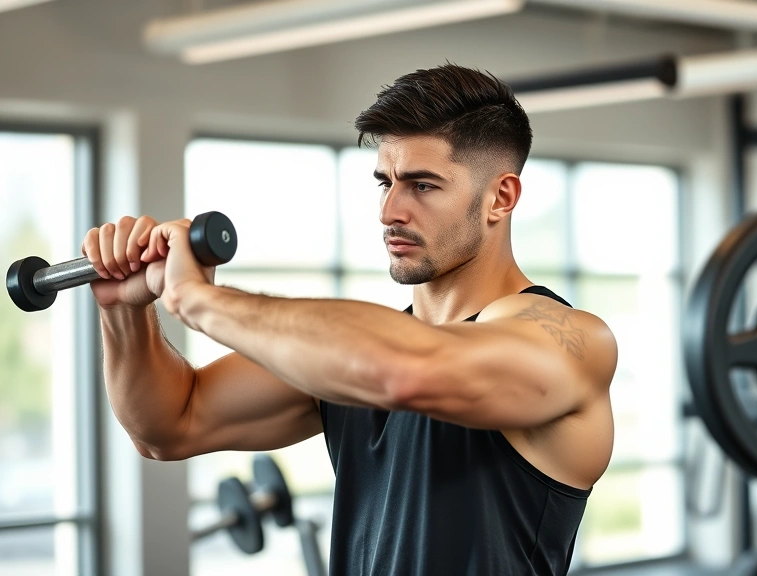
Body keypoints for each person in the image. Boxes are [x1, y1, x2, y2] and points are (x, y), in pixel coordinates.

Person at [84, 64, 617, 576]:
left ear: (500, 197)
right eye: (385, 182)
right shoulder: (355, 360)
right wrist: (126, 310)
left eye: (423, 185)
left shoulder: (570, 343)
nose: (390, 212)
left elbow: (404, 372)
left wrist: (197, 300)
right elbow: (168, 425)